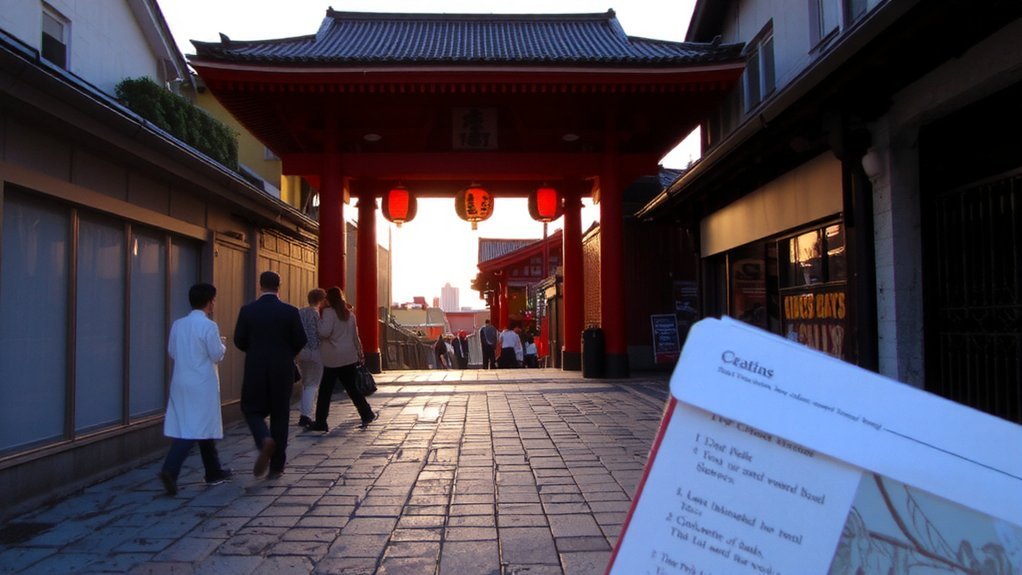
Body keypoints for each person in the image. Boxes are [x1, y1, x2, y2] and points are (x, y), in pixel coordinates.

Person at [158, 283, 232, 496]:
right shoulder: (209, 326)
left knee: (197, 424)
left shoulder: (178, 324)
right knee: (193, 427)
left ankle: (213, 470)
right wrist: (223, 344)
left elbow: (172, 351)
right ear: (210, 302)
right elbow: (216, 354)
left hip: (181, 380)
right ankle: (170, 469)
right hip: (202, 382)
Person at [234, 271, 307, 479]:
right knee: (280, 414)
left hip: (256, 367)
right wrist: (286, 354)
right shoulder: (290, 312)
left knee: (251, 409)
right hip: (282, 368)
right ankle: (277, 465)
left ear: (260, 286)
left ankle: (264, 439)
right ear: (279, 286)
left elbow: (239, 340)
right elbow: (300, 339)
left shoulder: (248, 311)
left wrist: (255, 350)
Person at [311, 287, 377, 431]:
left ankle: (321, 422)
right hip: (349, 356)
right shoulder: (349, 314)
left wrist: (318, 320)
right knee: (352, 388)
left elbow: (324, 332)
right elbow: (355, 336)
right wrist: (360, 352)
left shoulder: (328, 313)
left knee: (325, 391)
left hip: (333, 358)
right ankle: (366, 413)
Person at [295, 288, 327, 429]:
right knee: (313, 384)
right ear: (321, 300)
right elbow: (321, 333)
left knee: (306, 382)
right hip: (315, 351)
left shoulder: (300, 312)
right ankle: (306, 414)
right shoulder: (317, 315)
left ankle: (304, 411)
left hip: (301, 350)